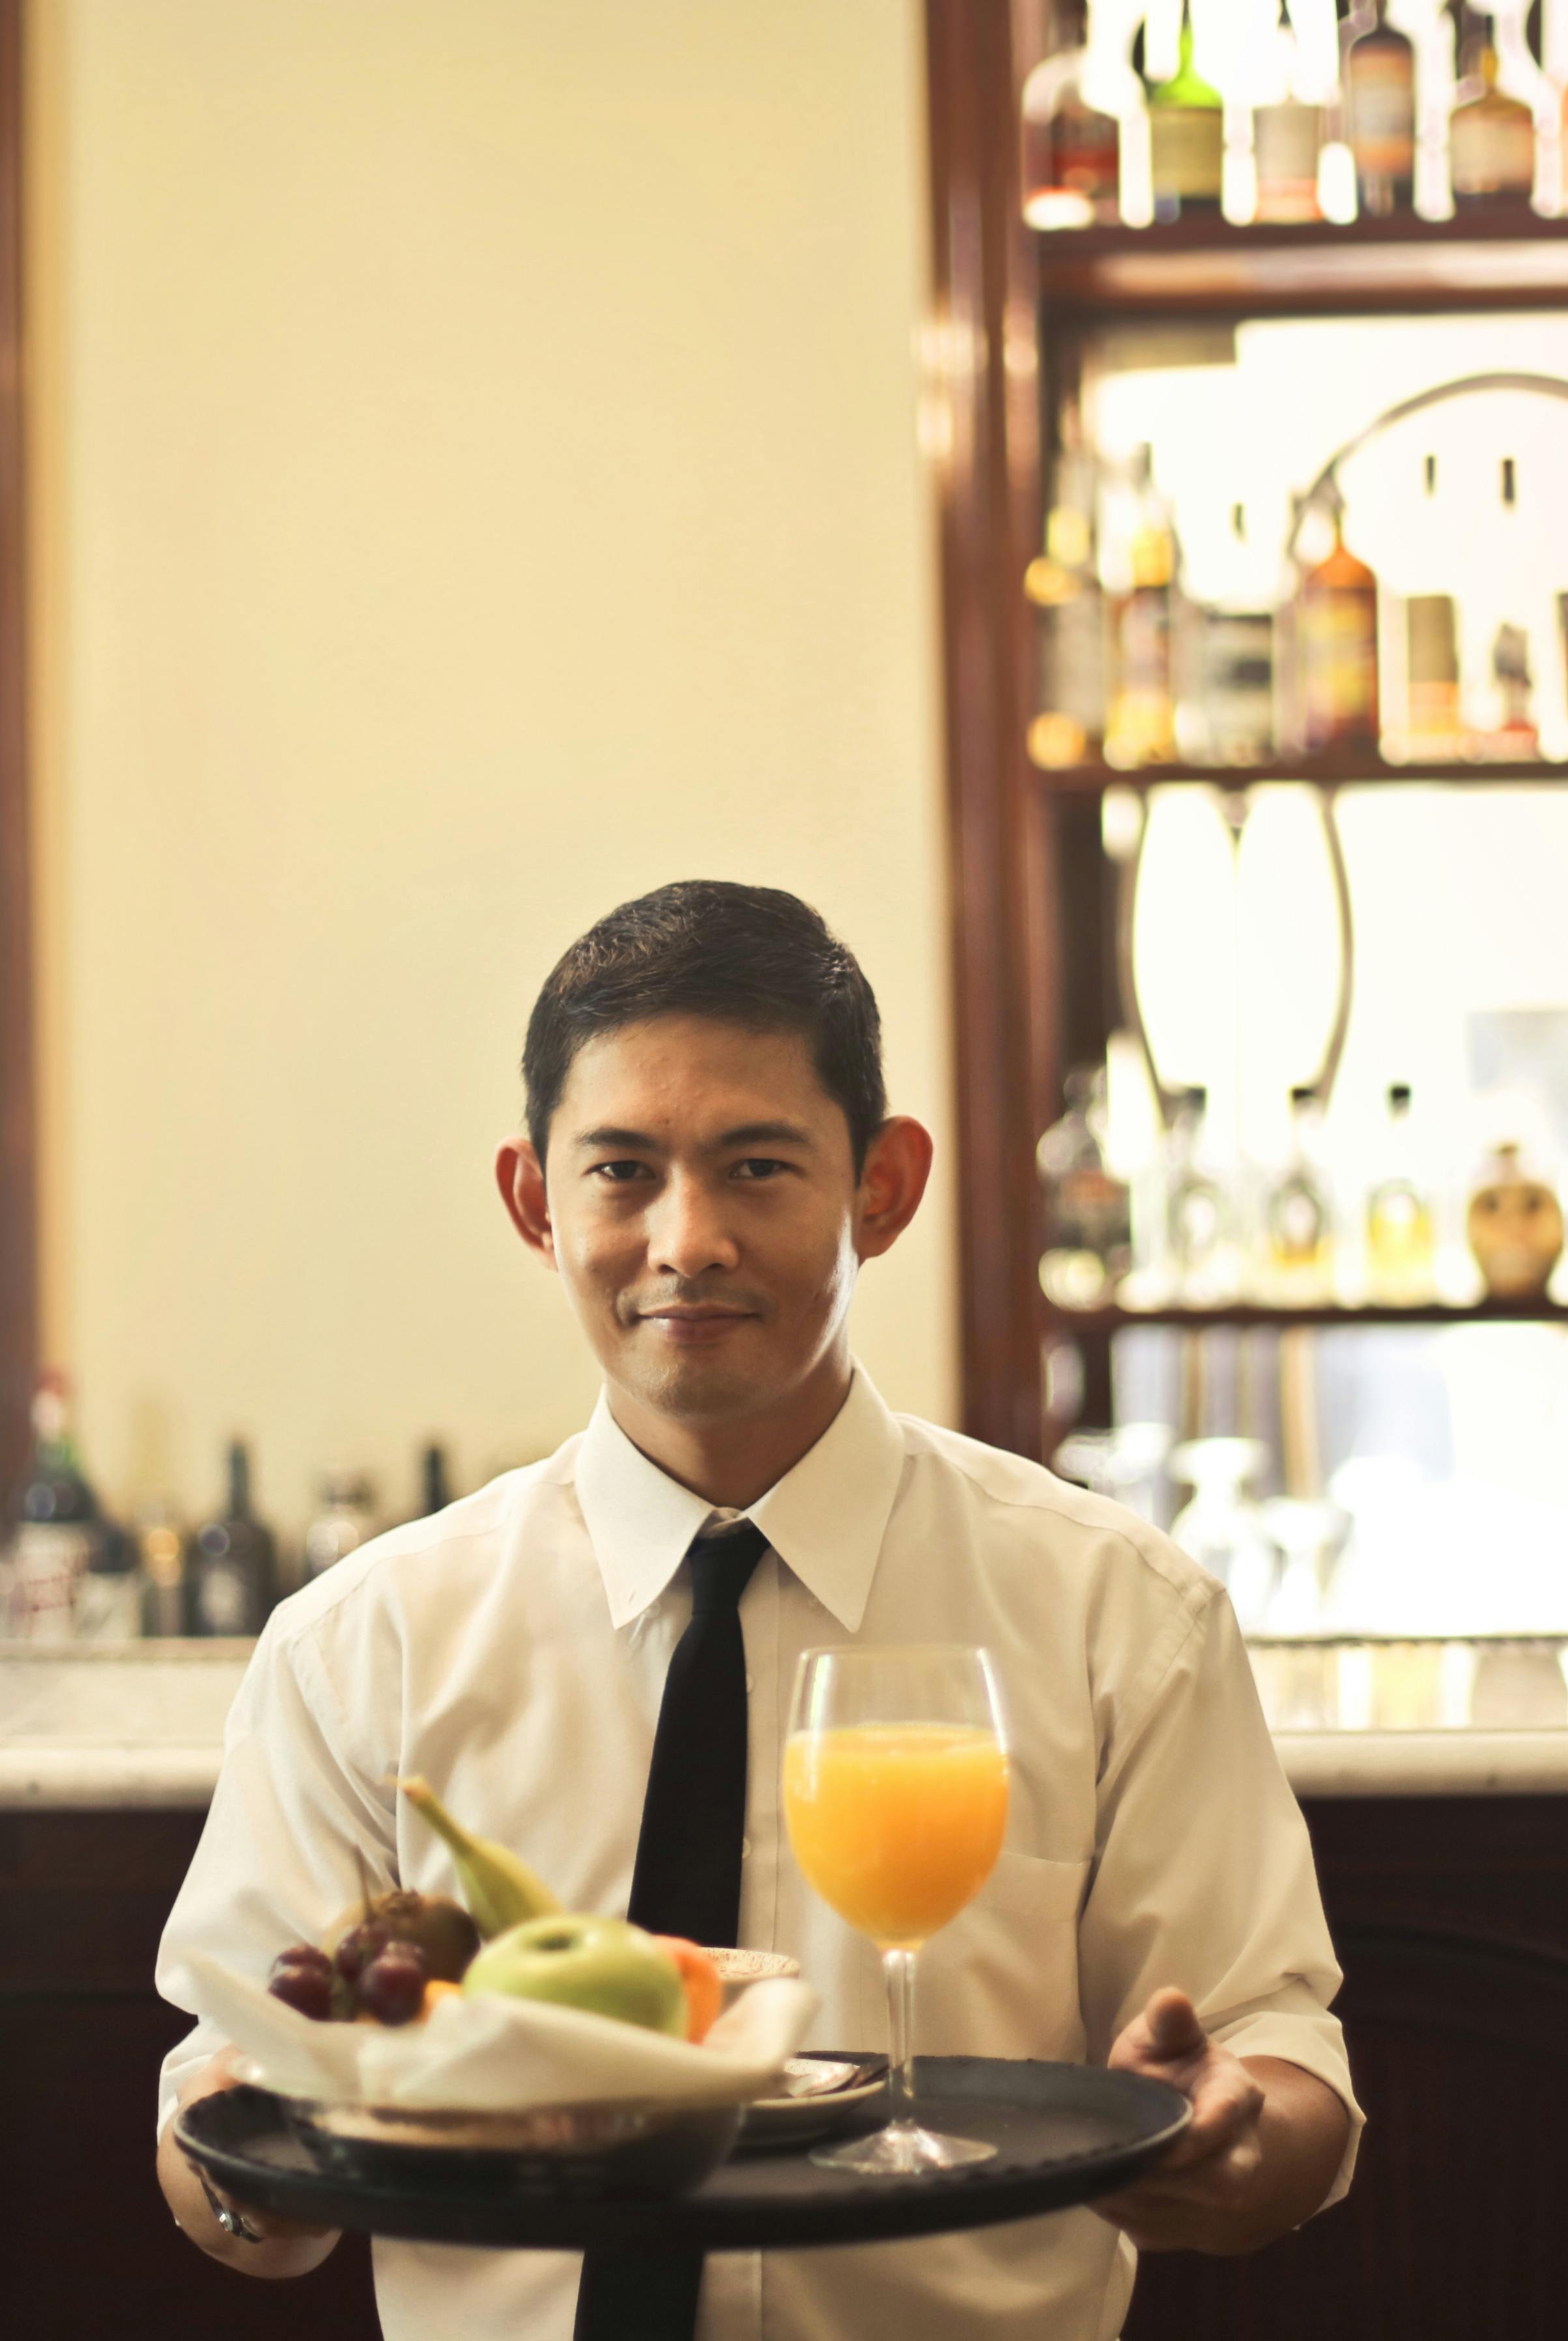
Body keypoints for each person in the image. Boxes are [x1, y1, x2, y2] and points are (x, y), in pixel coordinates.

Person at [154, 880, 1357, 2338]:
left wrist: (1235, 2141)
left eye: (758, 1168)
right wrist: (250, 2163)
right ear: (536, 1204)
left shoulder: (1116, 1612)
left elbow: (1280, 2063)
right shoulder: (364, 1647)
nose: (687, 1241)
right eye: (621, 1173)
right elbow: (228, 2130)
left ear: (883, 1189)